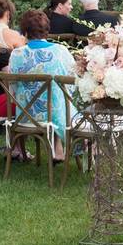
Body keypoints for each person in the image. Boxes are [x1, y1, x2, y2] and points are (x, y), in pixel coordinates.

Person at [9, 10, 75, 161]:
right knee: (59, 96)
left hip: (25, 115)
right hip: (56, 115)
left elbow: (12, 85)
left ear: (25, 31)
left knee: (42, 96)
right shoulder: (60, 51)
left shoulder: (16, 54)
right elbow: (73, 79)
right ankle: (59, 149)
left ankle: (26, 150)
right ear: (47, 30)